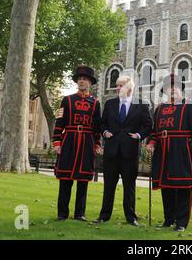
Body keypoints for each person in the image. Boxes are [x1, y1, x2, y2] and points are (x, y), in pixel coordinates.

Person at [146, 74, 192, 232]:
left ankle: (181, 222)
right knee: (166, 187)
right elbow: (154, 131)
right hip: (163, 151)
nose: (172, 89)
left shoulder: (189, 106)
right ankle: (168, 219)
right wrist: (152, 142)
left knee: (183, 187)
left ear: (181, 89)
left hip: (182, 150)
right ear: (165, 90)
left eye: (175, 86)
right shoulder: (159, 108)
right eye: (169, 87)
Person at [94, 76, 153, 226]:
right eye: (117, 86)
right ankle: (104, 216)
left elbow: (148, 126)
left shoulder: (141, 105)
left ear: (129, 88)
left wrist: (139, 135)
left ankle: (131, 217)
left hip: (130, 151)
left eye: (121, 86)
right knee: (109, 186)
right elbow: (101, 124)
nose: (118, 88)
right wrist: (105, 132)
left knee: (129, 187)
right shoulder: (110, 104)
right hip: (111, 151)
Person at [52, 66, 102, 221]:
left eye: (85, 79)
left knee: (83, 180)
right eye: (80, 79)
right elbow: (59, 123)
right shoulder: (66, 100)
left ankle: (80, 213)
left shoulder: (96, 103)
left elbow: (97, 126)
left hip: (87, 141)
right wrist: (56, 142)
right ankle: (62, 213)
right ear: (77, 81)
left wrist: (97, 144)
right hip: (69, 140)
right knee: (65, 179)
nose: (82, 81)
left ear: (90, 83)